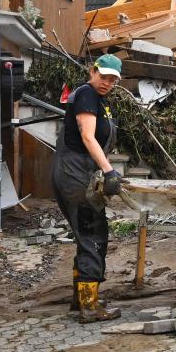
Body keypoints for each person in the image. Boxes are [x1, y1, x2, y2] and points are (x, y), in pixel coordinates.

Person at [52, 54, 124, 323]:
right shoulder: (86, 95)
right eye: (104, 76)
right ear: (93, 71)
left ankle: (81, 299)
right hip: (74, 174)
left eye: (113, 79)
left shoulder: (98, 100)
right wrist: (109, 171)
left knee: (88, 234)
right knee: (92, 233)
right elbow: (86, 136)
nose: (107, 82)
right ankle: (89, 307)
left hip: (80, 171)